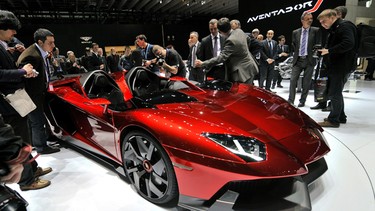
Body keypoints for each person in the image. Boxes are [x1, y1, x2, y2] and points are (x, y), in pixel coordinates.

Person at [1, 10, 52, 191]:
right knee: (20, 140)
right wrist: (23, 71)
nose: (15, 33)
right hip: (9, 103)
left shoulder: (4, 46)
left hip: (16, 100)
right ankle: (26, 181)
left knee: (26, 137)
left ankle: (33, 170)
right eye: (12, 29)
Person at [17, 28, 61, 154]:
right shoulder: (32, 55)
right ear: (41, 42)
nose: (53, 45)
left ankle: (37, 143)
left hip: (37, 92)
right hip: (31, 95)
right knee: (37, 121)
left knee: (36, 121)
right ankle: (41, 147)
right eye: (50, 43)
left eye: (53, 42)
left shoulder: (39, 52)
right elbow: (23, 74)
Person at [316, 9, 357, 127]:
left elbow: (349, 43)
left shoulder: (344, 26)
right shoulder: (338, 27)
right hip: (339, 65)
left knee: (334, 93)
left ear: (333, 16)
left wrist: (329, 50)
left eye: (324, 21)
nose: (323, 24)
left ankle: (333, 120)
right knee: (337, 92)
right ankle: (341, 117)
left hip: (341, 66)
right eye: (321, 23)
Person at [195, 17, 258, 84]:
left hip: (242, 72)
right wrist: (243, 51)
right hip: (250, 66)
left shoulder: (231, 41)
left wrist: (202, 63)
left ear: (220, 31)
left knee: (242, 93)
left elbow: (221, 58)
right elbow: (247, 39)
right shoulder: (239, 31)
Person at [288, 11, 321, 107]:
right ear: (302, 20)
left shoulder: (316, 30)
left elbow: (318, 44)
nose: (310, 20)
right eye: (308, 19)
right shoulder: (295, 32)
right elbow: (293, 45)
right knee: (293, 80)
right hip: (297, 60)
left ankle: (302, 100)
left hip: (309, 60)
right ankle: (290, 100)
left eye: (311, 19)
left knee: (306, 82)